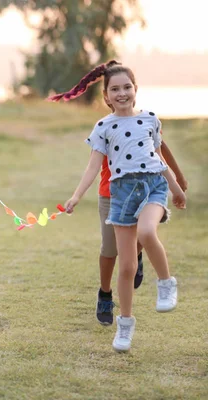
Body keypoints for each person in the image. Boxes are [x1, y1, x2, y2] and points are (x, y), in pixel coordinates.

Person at [55, 60, 186, 352]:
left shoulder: (151, 118)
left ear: (135, 89)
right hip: (121, 193)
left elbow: (157, 156)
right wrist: (76, 196)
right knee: (125, 266)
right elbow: (92, 167)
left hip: (153, 186)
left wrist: (176, 186)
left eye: (127, 87)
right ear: (106, 96)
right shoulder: (103, 126)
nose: (122, 93)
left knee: (148, 233)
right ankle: (124, 324)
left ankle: (166, 282)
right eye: (115, 89)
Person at [93, 139, 187, 326]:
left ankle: (136, 260)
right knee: (110, 251)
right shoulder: (106, 127)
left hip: (144, 189)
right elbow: (93, 163)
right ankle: (105, 293)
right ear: (109, 106)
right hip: (111, 193)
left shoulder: (144, 121)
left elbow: (160, 147)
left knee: (141, 236)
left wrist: (178, 176)